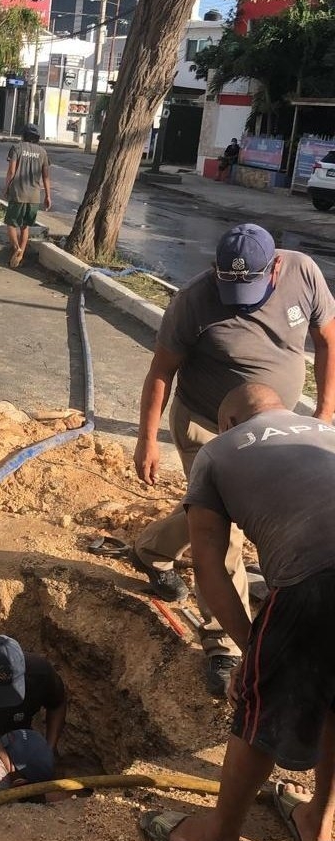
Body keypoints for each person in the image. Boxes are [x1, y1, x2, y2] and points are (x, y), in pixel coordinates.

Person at [130, 223, 335, 695]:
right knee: (225, 536)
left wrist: (323, 413)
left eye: (249, 287)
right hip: (208, 424)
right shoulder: (194, 300)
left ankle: (152, 550)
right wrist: (147, 439)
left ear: (276, 266)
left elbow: (327, 339)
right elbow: (161, 371)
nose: (237, 299)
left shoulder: (302, 273)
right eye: (229, 286)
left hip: (275, 422)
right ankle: (225, 644)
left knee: (210, 515)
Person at [140, 383, 335, 841]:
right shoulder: (325, 431)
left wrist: (252, 650)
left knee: (260, 703)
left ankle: (216, 839)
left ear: (227, 423)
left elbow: (208, 564)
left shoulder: (217, 451)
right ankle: (319, 819)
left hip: (317, 578)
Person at [4, 123, 51, 268]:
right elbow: (46, 177)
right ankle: (21, 256)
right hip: (34, 197)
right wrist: (48, 196)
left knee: (11, 224)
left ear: (23, 135)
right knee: (25, 227)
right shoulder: (43, 152)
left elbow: (11, 171)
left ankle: (16, 248)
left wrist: (6, 187)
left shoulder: (17, 148)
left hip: (18, 193)